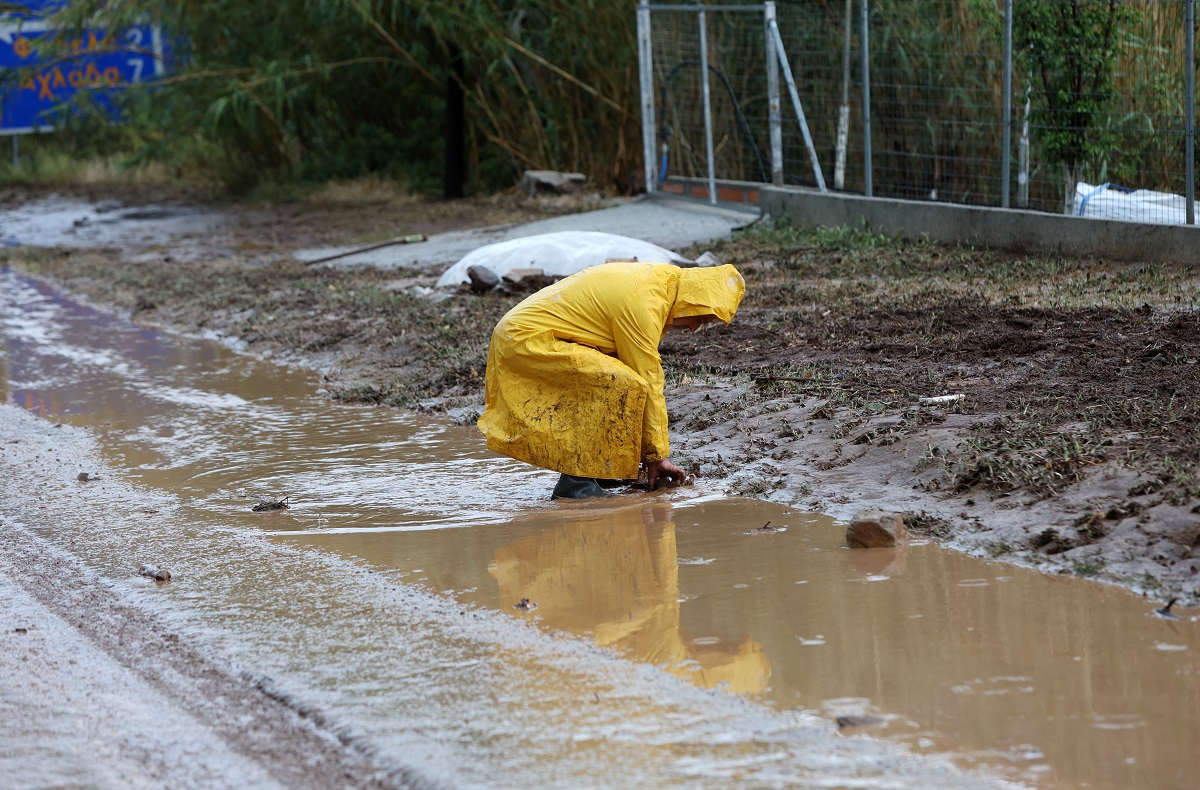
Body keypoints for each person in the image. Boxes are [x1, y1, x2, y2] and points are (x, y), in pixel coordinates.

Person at [477, 260, 746, 499]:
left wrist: (646, 454)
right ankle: (576, 483)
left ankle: (598, 469)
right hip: (527, 338)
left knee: (614, 378)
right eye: (699, 317)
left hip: (526, 333)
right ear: (693, 300)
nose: (693, 328)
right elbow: (648, 380)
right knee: (620, 382)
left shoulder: (662, 285)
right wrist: (657, 456)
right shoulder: (645, 303)